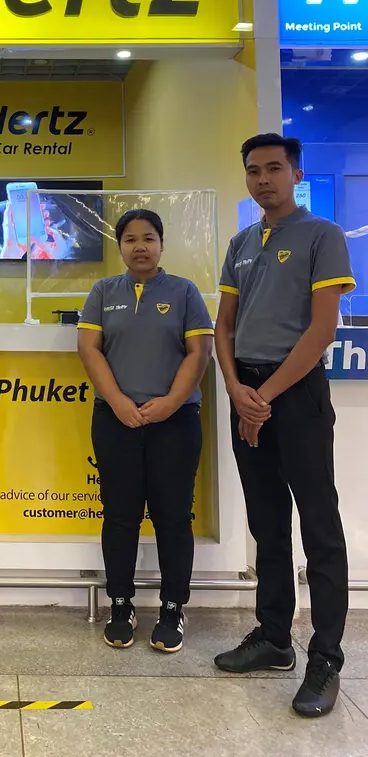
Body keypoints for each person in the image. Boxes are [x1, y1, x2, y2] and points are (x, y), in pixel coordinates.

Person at [213, 133, 354, 718]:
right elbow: (224, 326)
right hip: (247, 391)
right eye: (254, 170)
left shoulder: (323, 235)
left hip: (294, 396)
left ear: (296, 174)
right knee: (267, 521)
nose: (263, 179)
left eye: (274, 168)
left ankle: (326, 657)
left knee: (319, 524)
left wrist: (263, 398)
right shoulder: (242, 243)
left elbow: (323, 330)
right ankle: (274, 638)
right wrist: (236, 389)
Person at [77, 209, 214, 653]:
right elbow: (89, 348)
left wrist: (170, 402)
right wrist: (118, 401)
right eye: (131, 239)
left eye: (149, 238)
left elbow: (199, 352)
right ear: (120, 246)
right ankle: (121, 605)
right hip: (115, 420)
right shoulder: (103, 292)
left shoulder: (184, 292)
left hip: (175, 422)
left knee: (173, 518)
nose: (140, 246)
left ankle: (173, 609)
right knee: (120, 516)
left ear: (161, 244)